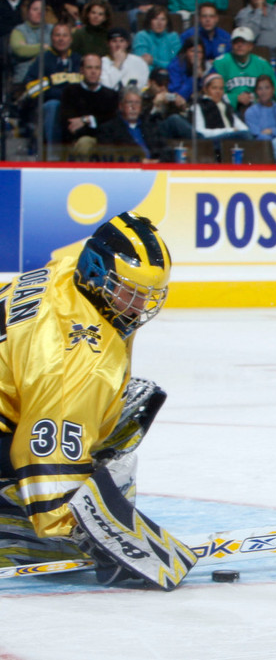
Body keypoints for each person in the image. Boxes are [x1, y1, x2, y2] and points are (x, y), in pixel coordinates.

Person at [0, 212, 179, 585]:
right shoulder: (74, 362)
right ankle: (13, 527)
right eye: (130, 291)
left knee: (127, 404)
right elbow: (44, 450)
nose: (139, 306)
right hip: (26, 414)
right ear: (98, 273)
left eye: (150, 295)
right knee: (112, 426)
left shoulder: (66, 274)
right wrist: (90, 537)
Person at [60, 53, 120, 153]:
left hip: (106, 141)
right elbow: (71, 127)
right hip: (81, 141)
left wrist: (86, 120)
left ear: (101, 71)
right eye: (89, 68)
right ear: (82, 70)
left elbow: (113, 124)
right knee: (84, 143)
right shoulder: (70, 92)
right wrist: (97, 121)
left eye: (97, 68)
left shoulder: (111, 95)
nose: (93, 72)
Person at [212, 26, 276, 110]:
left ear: (251, 46)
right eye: (236, 42)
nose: (239, 45)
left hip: (259, 109)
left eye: (243, 42)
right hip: (228, 110)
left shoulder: (263, 64)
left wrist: (256, 99)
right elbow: (212, 92)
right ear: (232, 44)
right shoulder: (220, 63)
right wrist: (235, 98)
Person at [96, 85, 168, 161]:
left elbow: (166, 150)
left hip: (154, 169)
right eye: (129, 102)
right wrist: (138, 161)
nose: (133, 107)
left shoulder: (151, 126)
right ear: (121, 106)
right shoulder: (108, 129)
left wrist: (157, 161)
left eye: (137, 103)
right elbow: (109, 156)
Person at [191, 71, 252, 140]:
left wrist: (244, 132)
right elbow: (200, 132)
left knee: (248, 135)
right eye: (214, 88)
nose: (218, 91)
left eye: (221, 88)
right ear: (205, 90)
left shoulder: (226, 106)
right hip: (211, 141)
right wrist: (228, 131)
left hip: (230, 138)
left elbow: (242, 128)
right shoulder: (198, 106)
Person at [9, 0, 52, 83]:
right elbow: (20, 50)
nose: (39, 12)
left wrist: (30, 49)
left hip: (49, 78)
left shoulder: (52, 29)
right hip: (24, 79)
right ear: (28, 12)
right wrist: (45, 48)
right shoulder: (19, 30)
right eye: (35, 9)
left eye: (42, 10)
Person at [133, 5, 181, 71]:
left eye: (163, 19)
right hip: (148, 77)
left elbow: (177, 64)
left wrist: (154, 61)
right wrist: (157, 72)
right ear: (149, 21)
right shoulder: (141, 36)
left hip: (170, 75)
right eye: (155, 19)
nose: (159, 23)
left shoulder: (173, 37)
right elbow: (142, 64)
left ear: (167, 22)